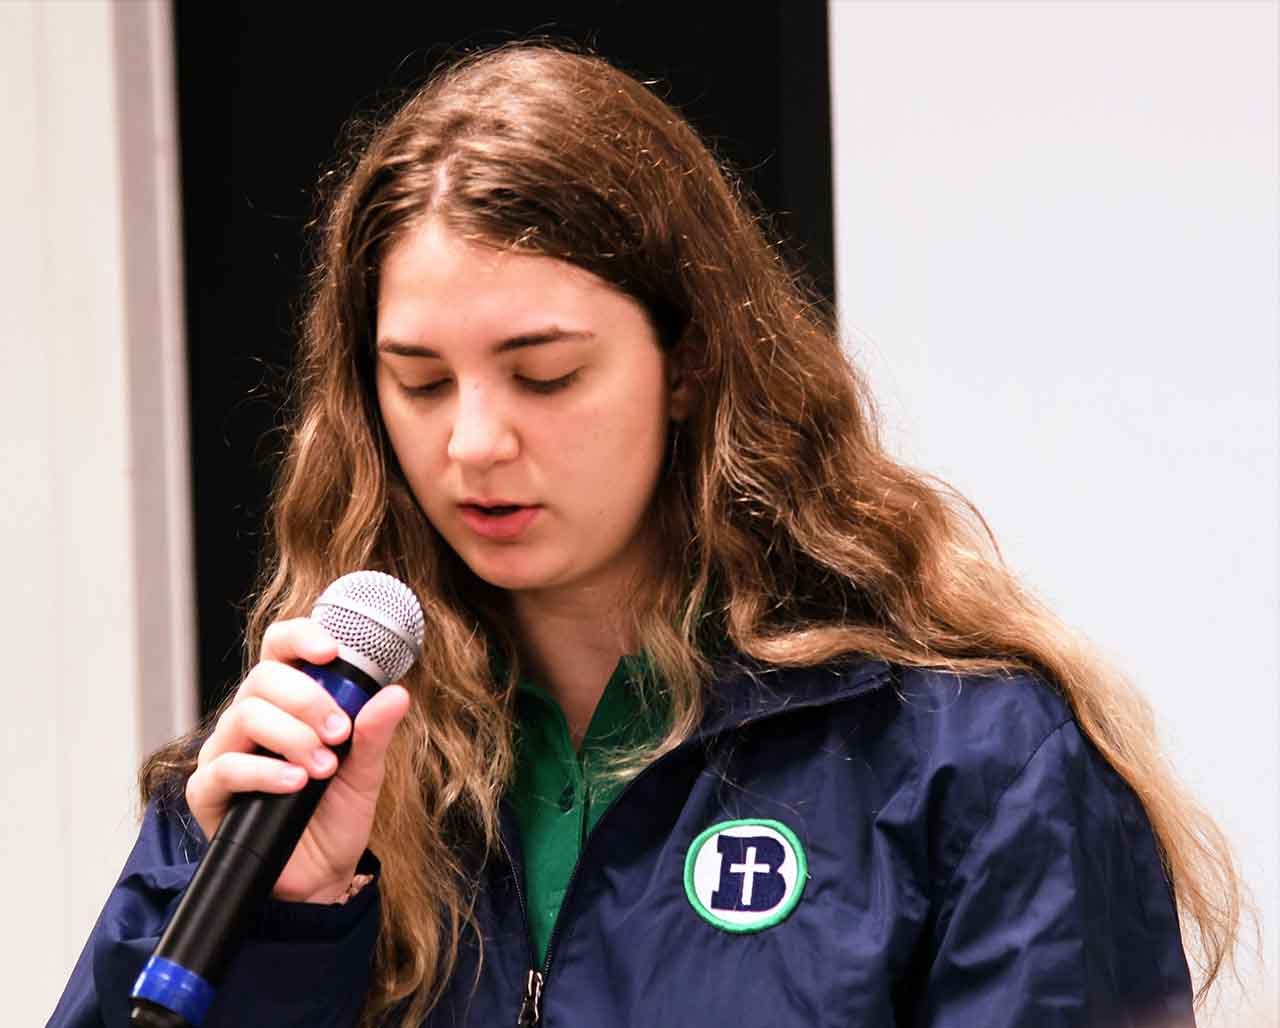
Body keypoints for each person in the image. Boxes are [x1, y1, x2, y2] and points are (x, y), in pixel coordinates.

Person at [51, 42, 1242, 1028]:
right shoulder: (291, 769)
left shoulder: (970, 759)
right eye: (416, 383)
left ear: (688, 365)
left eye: (545, 375)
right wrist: (282, 923)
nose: (471, 442)